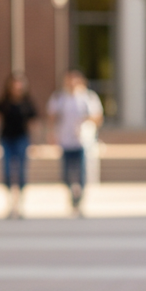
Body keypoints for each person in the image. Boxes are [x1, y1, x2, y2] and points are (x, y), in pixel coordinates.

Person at [47, 71, 103, 216]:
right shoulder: (59, 98)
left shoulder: (88, 98)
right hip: (65, 141)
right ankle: (72, 195)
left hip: (82, 141)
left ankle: (79, 199)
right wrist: (52, 134)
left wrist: (86, 122)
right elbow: (52, 117)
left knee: (82, 173)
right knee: (66, 173)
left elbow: (98, 117)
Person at [0, 72, 38, 219]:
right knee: (7, 171)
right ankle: (10, 202)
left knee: (21, 171)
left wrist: (34, 142)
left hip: (22, 139)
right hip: (6, 139)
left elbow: (33, 123)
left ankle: (20, 203)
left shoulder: (27, 103)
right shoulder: (3, 102)